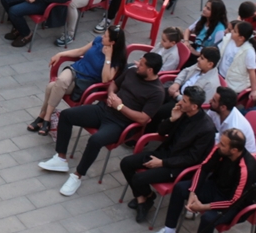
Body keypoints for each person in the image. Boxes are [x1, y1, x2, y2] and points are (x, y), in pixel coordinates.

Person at [40, 52, 165, 197]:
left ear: (150, 70)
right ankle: (61, 158)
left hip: (120, 124)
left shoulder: (157, 92)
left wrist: (120, 106)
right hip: (103, 109)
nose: (137, 65)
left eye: (141, 64)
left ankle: (77, 176)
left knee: (95, 140)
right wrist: (111, 94)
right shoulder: (132, 72)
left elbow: (143, 119)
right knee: (67, 115)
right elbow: (114, 84)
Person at [146, 128, 256, 233]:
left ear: (234, 150)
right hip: (216, 187)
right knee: (181, 188)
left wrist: (203, 207)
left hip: (235, 205)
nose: (218, 145)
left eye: (223, 144)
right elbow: (203, 169)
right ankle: (169, 232)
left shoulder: (246, 169)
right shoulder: (220, 150)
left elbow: (234, 202)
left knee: (208, 218)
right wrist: (193, 193)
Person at [122, 85, 217, 223]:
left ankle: (145, 200)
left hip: (177, 166)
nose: (180, 102)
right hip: (164, 153)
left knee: (138, 179)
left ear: (194, 107)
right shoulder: (182, 112)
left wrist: (162, 163)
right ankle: (144, 198)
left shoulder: (206, 129)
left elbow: (192, 158)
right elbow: (161, 132)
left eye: (184, 101)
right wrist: (172, 119)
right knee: (126, 163)